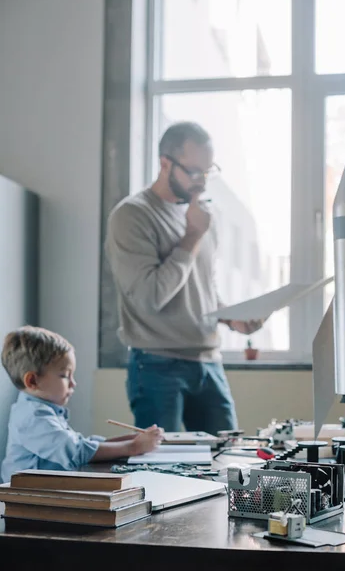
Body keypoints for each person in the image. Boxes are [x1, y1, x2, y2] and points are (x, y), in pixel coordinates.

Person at [105, 121, 264, 435]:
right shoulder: (132, 216)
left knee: (227, 460)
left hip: (208, 362)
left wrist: (232, 319)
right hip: (157, 365)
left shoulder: (201, 215)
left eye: (209, 171)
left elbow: (202, 288)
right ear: (165, 163)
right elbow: (150, 298)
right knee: (164, 470)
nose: (202, 183)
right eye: (194, 172)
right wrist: (192, 236)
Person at [1, 325, 163, 483]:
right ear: (32, 380)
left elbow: (78, 442)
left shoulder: (43, 409)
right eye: (64, 376)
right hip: (25, 500)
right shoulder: (32, 417)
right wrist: (133, 447)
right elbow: (75, 451)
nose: (73, 383)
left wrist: (128, 439)